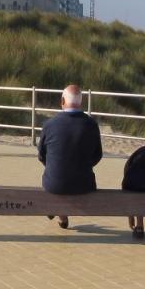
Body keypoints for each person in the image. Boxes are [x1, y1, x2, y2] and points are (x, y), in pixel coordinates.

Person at [38, 84, 102, 229]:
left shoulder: (49, 124)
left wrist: (58, 164)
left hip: (55, 184)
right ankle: (59, 212)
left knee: (55, 176)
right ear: (81, 103)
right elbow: (98, 155)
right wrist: (82, 164)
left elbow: (41, 156)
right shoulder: (91, 125)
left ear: (62, 101)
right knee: (68, 177)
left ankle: (59, 211)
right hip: (84, 185)